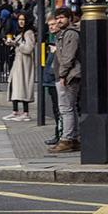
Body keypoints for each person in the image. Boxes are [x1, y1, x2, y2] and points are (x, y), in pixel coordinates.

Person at [49, 7, 81, 153]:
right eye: (57, 18)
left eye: (62, 17)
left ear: (69, 18)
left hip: (69, 76)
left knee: (66, 108)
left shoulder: (71, 34)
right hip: (68, 75)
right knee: (70, 107)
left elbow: (68, 57)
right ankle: (73, 138)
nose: (59, 20)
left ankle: (67, 139)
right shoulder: (63, 34)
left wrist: (62, 75)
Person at [2, 12, 36, 122]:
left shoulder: (28, 33)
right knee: (14, 86)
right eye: (19, 19)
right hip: (18, 63)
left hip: (24, 64)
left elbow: (29, 49)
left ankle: (25, 113)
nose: (21, 22)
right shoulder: (20, 33)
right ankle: (15, 112)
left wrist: (16, 44)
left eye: (23, 19)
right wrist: (10, 43)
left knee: (23, 87)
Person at [42, 15, 63, 146]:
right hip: (50, 79)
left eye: (53, 24)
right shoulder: (54, 39)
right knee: (56, 108)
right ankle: (58, 134)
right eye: (49, 25)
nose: (51, 27)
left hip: (57, 79)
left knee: (60, 109)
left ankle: (60, 135)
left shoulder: (61, 39)